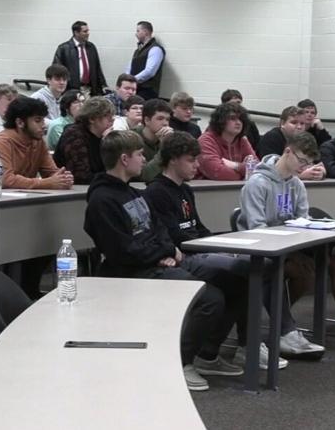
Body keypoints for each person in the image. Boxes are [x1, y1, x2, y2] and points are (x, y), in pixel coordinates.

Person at [84, 130, 243, 391]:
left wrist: (168, 251)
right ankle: (181, 361)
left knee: (236, 279)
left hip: (158, 261)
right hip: (131, 271)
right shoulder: (102, 200)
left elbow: (158, 228)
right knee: (209, 297)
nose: (144, 159)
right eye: (139, 155)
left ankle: (208, 354)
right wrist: (161, 256)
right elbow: (121, 250)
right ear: (124, 159)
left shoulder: (132, 193)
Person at [238, 131, 335, 354]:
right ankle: (285, 328)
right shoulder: (257, 183)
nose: (303, 167)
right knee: (296, 270)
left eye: (308, 163)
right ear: (287, 151)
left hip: (289, 246)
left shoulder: (296, 185)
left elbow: (302, 220)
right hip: (260, 249)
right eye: (301, 161)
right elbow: (257, 229)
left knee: (334, 260)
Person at [143, 131, 286, 371]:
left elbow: (198, 228)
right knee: (243, 273)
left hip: (198, 251)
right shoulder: (156, 191)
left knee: (248, 276)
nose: (197, 165)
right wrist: (215, 247)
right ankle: (217, 350)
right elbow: (175, 237)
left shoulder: (185, 190)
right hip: (182, 258)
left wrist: (223, 243)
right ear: (173, 159)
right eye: (191, 160)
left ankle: (216, 351)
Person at [0, 97, 75, 297]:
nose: (43, 125)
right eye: (37, 120)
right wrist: (47, 183)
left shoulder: (37, 142)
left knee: (47, 238)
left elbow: (52, 173)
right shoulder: (3, 141)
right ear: (20, 123)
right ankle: (8, 296)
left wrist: (63, 178)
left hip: (19, 209)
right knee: (26, 238)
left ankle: (28, 291)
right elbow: (4, 178)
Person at [54, 97, 115, 184]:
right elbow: (81, 176)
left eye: (112, 116)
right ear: (92, 119)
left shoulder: (103, 136)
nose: (112, 120)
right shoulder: (74, 135)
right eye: (106, 116)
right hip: (73, 190)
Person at [256, 106, 327, 181]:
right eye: (294, 122)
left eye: (302, 123)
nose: (299, 127)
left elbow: (317, 163)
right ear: (282, 123)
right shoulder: (271, 137)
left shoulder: (305, 139)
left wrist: (321, 172)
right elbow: (271, 168)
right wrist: (300, 175)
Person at [197, 102, 256, 180]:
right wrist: (245, 172)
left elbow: (257, 168)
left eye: (241, 119)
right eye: (232, 118)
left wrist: (235, 165)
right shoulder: (206, 140)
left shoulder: (242, 140)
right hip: (206, 189)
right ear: (221, 121)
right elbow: (218, 172)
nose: (238, 122)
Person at [53, 20, 108, 95]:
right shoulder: (64, 49)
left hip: (90, 90)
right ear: (76, 33)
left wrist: (103, 85)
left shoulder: (91, 47)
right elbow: (57, 70)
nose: (88, 33)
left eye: (88, 31)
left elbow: (97, 69)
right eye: (85, 31)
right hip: (71, 91)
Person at [133, 99, 174, 182]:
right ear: (147, 120)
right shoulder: (132, 139)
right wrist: (165, 147)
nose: (165, 123)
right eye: (160, 119)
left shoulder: (169, 138)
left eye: (167, 119)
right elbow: (145, 176)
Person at [126, 21, 165, 100]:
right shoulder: (138, 51)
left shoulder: (155, 49)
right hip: (136, 90)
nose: (135, 34)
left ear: (146, 32)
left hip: (147, 92)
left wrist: (132, 81)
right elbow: (129, 67)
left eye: (138, 31)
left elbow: (149, 72)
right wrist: (126, 79)